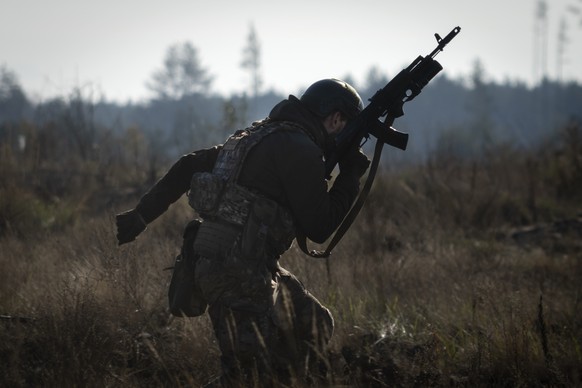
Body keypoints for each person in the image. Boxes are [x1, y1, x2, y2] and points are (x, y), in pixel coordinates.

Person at [115, 78, 370, 386]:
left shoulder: (254, 136)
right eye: (348, 130)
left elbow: (188, 165)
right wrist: (350, 175)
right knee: (245, 376)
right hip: (234, 273)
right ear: (336, 119)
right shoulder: (300, 148)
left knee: (314, 324)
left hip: (246, 264)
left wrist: (142, 215)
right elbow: (320, 226)